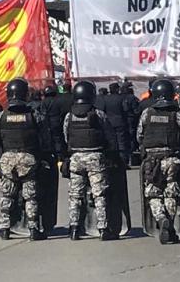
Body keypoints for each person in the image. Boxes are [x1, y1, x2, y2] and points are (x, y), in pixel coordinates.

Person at [0, 78, 51, 241]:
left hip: (8, 161)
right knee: (30, 196)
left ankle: (4, 229)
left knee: (7, 196)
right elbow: (45, 139)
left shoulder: (1, 116)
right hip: (28, 160)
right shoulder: (34, 115)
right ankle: (33, 228)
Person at [63, 81, 118, 241]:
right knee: (99, 194)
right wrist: (112, 154)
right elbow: (109, 135)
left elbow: (67, 137)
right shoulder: (98, 114)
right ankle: (103, 228)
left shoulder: (69, 116)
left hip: (76, 158)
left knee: (75, 195)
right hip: (95, 157)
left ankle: (74, 228)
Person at [137, 79, 180, 244]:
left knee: (153, 193)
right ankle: (170, 224)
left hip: (151, 159)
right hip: (171, 157)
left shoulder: (147, 113)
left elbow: (140, 135)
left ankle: (161, 218)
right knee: (171, 191)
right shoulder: (179, 113)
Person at [100, 82, 130, 165]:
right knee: (121, 142)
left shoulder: (105, 99)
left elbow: (102, 110)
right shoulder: (121, 98)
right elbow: (125, 109)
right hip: (120, 122)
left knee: (110, 142)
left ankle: (112, 161)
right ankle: (123, 162)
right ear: (117, 89)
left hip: (109, 122)